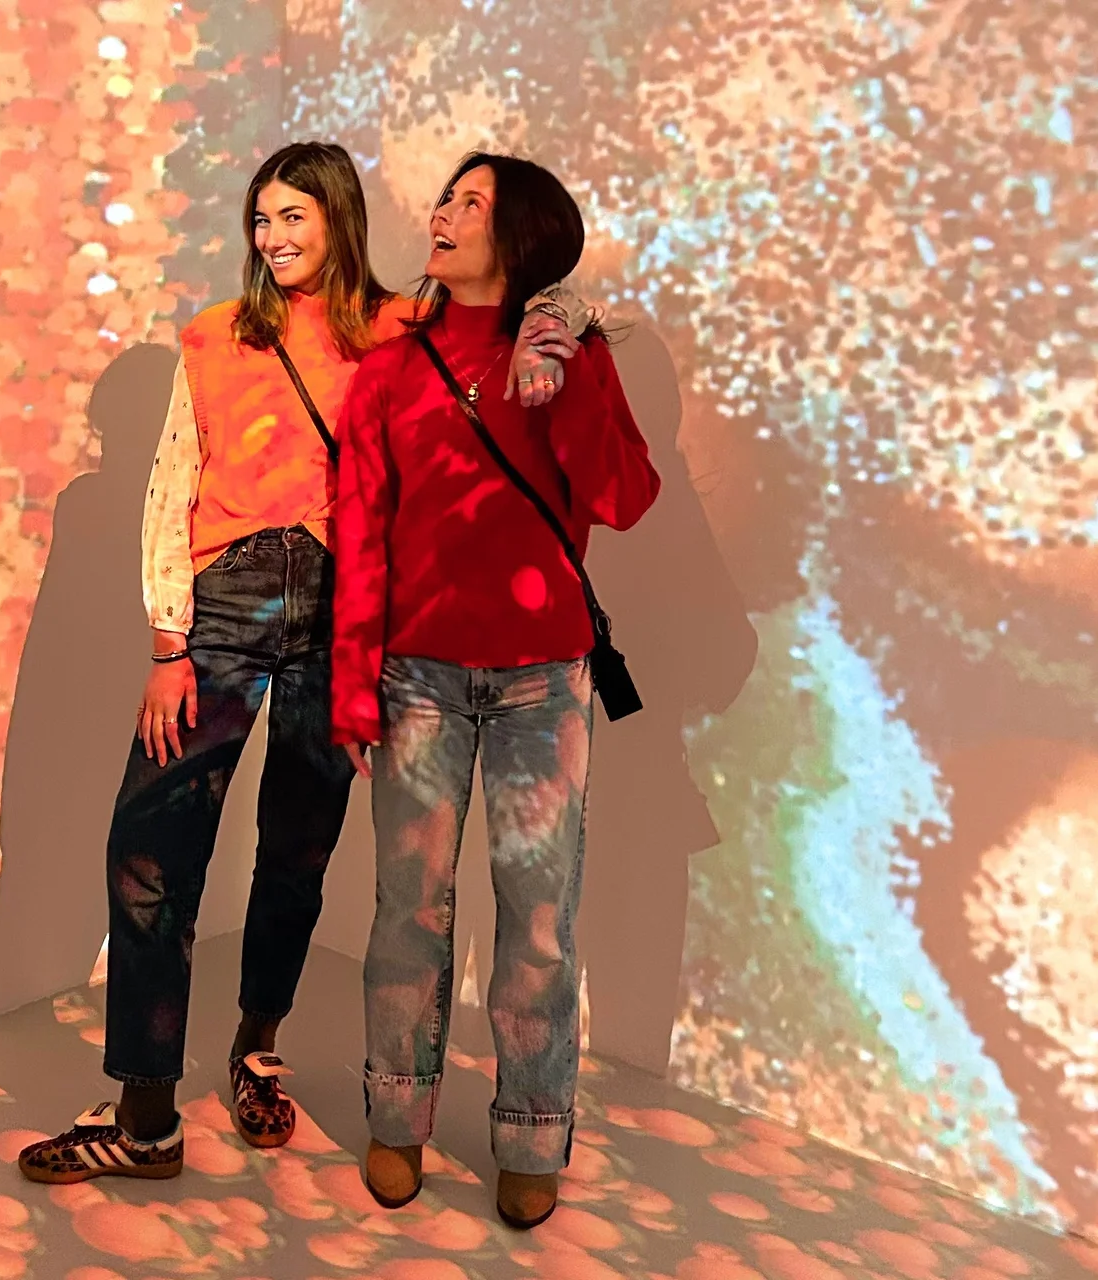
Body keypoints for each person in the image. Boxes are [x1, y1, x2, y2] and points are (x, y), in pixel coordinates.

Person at [17, 141, 584, 1185]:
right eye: (260, 219)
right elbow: (173, 484)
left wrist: (554, 325)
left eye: (293, 217)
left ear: (337, 218)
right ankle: (145, 1113)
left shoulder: (400, 326)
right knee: (150, 853)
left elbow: (524, 297)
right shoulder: (216, 335)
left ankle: (256, 1048)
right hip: (225, 603)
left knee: (296, 854)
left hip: (343, 610)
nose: (271, 238)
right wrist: (168, 643)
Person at [329, 152, 661, 1228]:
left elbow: (624, 497)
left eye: (472, 203)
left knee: (540, 921)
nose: (444, 212)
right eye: (448, 197)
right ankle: (395, 1115)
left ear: (518, 236)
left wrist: (565, 374)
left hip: (542, 685)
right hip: (416, 678)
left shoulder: (572, 352)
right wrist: (352, 682)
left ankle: (530, 1130)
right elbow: (362, 532)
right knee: (408, 911)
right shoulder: (391, 369)